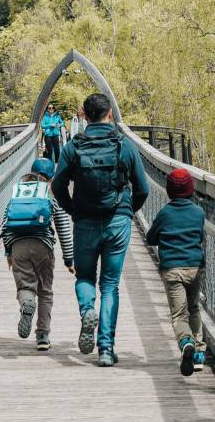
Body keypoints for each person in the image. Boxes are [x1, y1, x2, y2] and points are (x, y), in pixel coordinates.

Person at [50, 92, 150, 366]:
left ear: (84, 114)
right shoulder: (124, 145)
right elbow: (143, 189)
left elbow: (57, 186)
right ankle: (106, 349)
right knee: (110, 285)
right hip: (117, 221)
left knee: (84, 277)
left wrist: (72, 209)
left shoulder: (73, 146)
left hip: (84, 222)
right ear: (110, 115)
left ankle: (87, 311)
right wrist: (127, 210)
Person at [0, 157, 74, 350]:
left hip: (18, 247)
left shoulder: (17, 194)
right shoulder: (50, 196)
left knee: (25, 286)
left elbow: (5, 224)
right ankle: (42, 336)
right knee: (45, 291)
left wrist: (8, 251)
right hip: (43, 246)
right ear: (51, 178)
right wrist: (69, 258)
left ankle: (27, 303)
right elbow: (63, 227)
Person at [146, 167, 207, 375]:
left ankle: (186, 343)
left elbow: (151, 238)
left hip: (172, 269)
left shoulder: (165, 213)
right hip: (195, 267)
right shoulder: (199, 213)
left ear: (169, 191)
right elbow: (199, 236)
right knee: (194, 308)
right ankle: (198, 355)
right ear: (191, 190)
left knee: (179, 314)